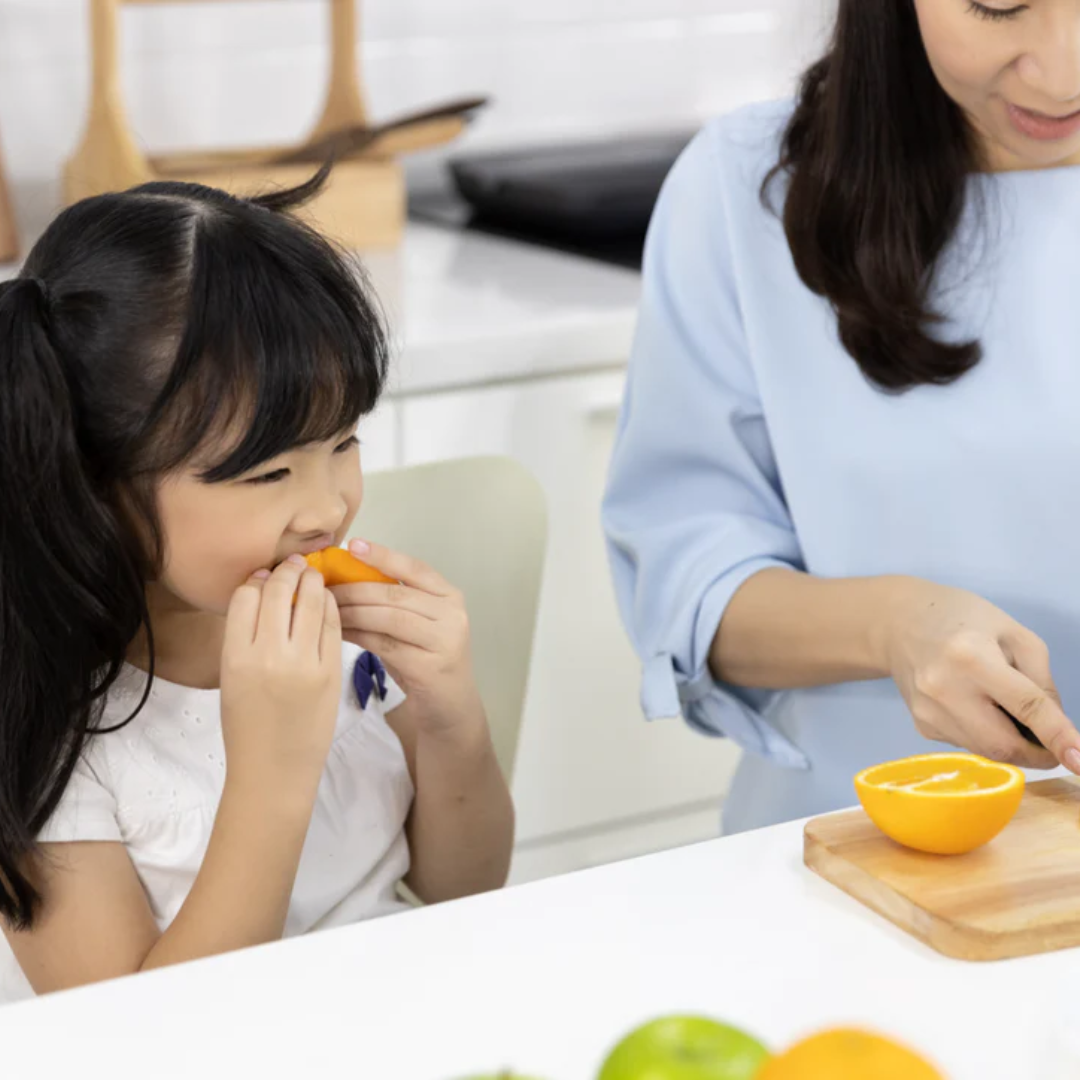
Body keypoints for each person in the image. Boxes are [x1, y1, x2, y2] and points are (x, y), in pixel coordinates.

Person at [0, 171, 513, 1001]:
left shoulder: (343, 639)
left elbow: (465, 888)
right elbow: (138, 1049)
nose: (325, 509)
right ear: (93, 481)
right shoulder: (42, 735)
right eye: (268, 472)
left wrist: (452, 714)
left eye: (344, 442)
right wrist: (273, 773)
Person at [603, 0, 1080, 834]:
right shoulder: (743, 188)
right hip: (852, 862)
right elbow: (692, 591)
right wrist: (897, 627)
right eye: (1000, 5)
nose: (1062, 69)